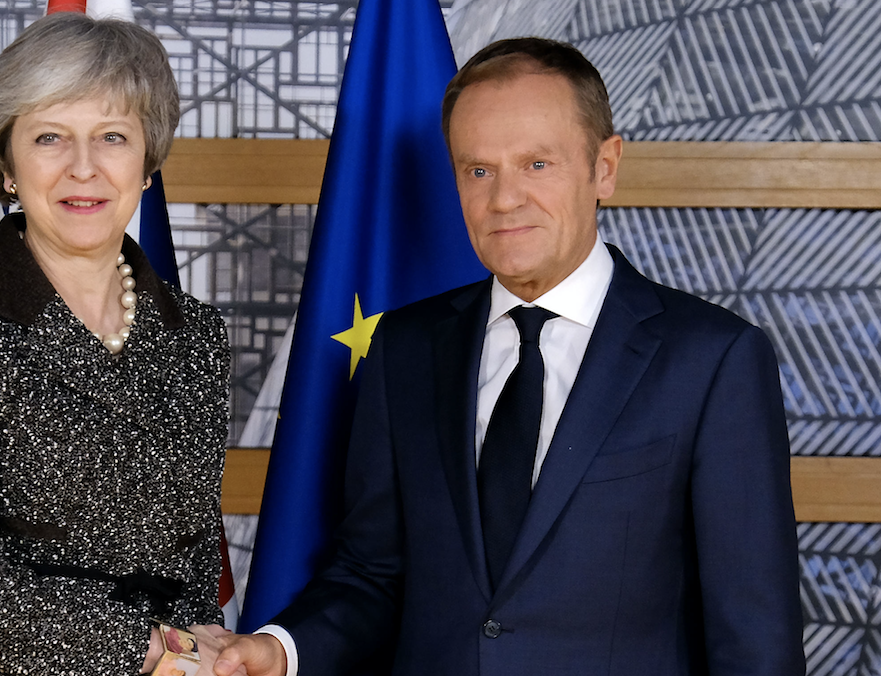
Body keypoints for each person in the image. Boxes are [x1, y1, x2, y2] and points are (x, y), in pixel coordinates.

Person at [215, 38, 805, 676]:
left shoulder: (713, 360)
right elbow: (372, 574)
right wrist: (279, 649)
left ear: (604, 167)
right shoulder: (404, 349)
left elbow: (753, 636)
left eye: (537, 164)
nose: (503, 199)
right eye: (478, 170)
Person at [0, 13, 232, 676]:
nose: (84, 167)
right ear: (8, 163)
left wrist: (198, 649)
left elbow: (196, 556)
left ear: (146, 164)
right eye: (50, 137)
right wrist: (145, 650)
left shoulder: (199, 337)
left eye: (113, 137)